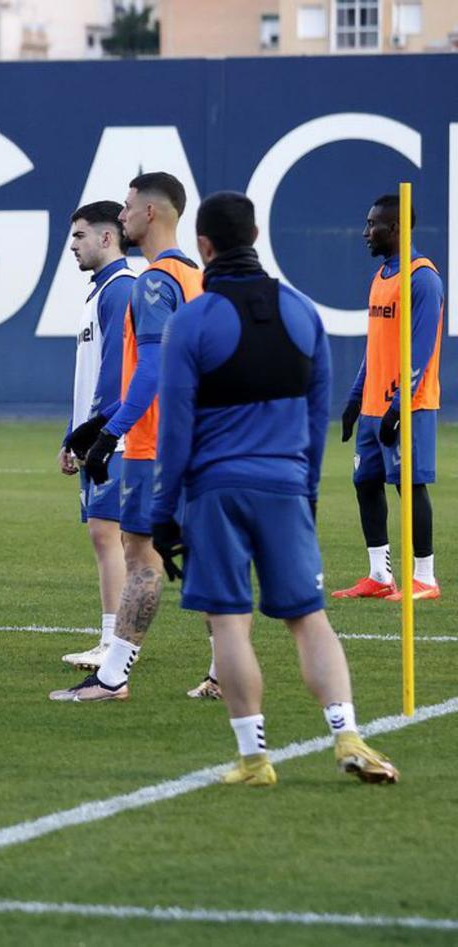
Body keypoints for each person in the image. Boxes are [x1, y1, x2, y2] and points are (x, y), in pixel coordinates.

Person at [149, 190, 398, 786]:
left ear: (203, 247)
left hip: (217, 491)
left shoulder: (192, 321)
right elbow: (315, 424)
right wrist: (305, 494)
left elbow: (176, 429)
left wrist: (163, 513)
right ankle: (349, 735)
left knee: (230, 624)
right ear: (256, 237)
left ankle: (255, 758)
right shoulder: (302, 313)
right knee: (309, 618)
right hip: (287, 488)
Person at [52, 172, 208, 702]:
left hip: (148, 444)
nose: (121, 217)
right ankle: (221, 668)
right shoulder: (197, 278)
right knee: (202, 556)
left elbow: (151, 366)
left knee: (139, 555)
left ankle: (112, 674)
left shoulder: (152, 282)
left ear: (151, 214)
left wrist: (108, 431)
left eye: (127, 207)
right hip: (190, 439)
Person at [333, 194, 443, 602]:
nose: (365, 233)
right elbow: (375, 346)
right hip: (374, 407)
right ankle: (380, 576)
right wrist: (355, 398)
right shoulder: (382, 277)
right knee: (365, 483)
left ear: (395, 228)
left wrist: (400, 406)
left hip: (408, 407)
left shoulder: (423, 278)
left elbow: (421, 348)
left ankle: (426, 579)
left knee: (410, 486)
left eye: (372, 224)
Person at [56, 201, 133, 672]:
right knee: (107, 537)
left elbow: (119, 373)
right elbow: (87, 374)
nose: (73, 245)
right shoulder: (98, 292)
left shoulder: (121, 290)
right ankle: (113, 640)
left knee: (110, 535)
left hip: (116, 439)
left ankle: (115, 644)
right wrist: (71, 436)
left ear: (107, 238)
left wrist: (96, 432)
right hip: (96, 436)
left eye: (80, 236)